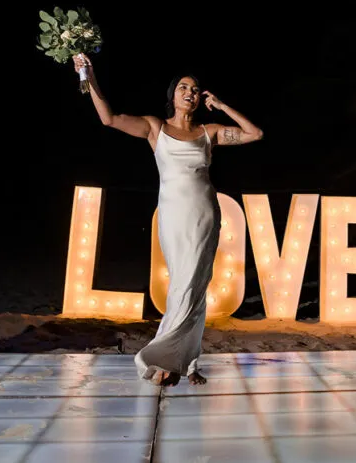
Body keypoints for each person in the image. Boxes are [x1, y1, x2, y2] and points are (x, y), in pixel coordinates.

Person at [72, 54, 264, 386]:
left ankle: (180, 361)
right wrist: (88, 76)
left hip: (204, 214)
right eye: (183, 88)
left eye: (195, 89)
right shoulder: (154, 127)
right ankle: (173, 358)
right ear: (173, 95)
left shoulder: (210, 131)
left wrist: (221, 105)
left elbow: (255, 134)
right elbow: (109, 118)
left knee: (196, 286)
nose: (190, 93)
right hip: (173, 215)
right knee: (181, 285)